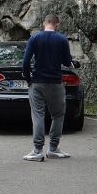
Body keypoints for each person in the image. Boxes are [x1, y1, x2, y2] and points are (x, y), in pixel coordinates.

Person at [20, 14, 79, 162]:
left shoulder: (34, 38)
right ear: (56, 24)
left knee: (38, 115)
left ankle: (37, 150)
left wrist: (28, 79)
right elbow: (67, 62)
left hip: (38, 82)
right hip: (55, 83)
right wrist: (74, 64)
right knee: (58, 115)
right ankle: (53, 148)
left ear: (44, 23)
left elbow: (25, 62)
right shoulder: (62, 39)